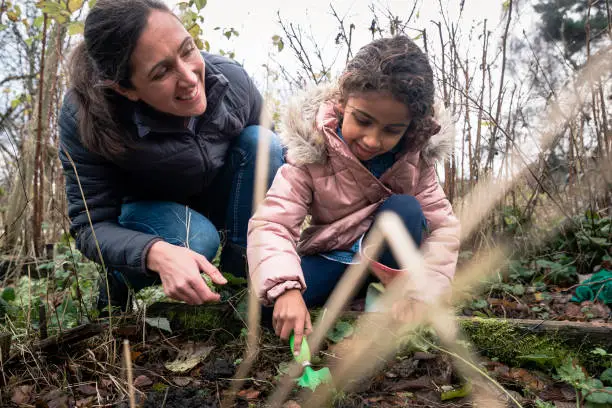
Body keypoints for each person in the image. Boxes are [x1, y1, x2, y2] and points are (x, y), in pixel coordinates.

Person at [58, 0, 284, 313]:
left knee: (265, 144)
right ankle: (116, 288)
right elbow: (90, 226)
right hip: (151, 219)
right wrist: (155, 252)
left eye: (187, 49)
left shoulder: (231, 82)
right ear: (126, 89)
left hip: (215, 197)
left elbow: (282, 174)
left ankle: (236, 284)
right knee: (195, 238)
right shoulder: (85, 116)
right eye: (162, 71)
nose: (190, 77)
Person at [247, 36, 460, 354]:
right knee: (267, 307)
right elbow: (273, 223)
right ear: (343, 102)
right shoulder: (312, 152)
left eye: (392, 130)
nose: (373, 140)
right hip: (333, 259)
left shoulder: (415, 162)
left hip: (387, 267)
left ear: (410, 127)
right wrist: (286, 289)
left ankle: (387, 298)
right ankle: (353, 299)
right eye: (363, 120)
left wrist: (420, 293)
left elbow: (444, 229)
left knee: (405, 209)